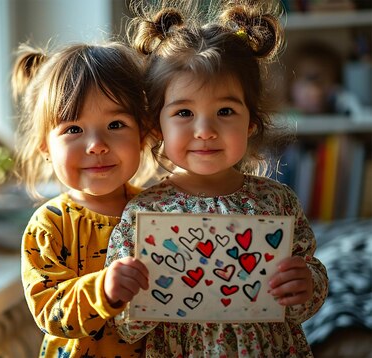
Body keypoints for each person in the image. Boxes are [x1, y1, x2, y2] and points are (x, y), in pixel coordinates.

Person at [104, 1, 329, 356]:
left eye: (225, 111)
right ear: (156, 124)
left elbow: (305, 295)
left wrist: (306, 284)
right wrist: (120, 293)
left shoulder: (277, 202)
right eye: (183, 112)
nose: (205, 130)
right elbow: (127, 327)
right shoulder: (144, 213)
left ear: (251, 122)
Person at [12, 41, 160, 357]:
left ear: (143, 134)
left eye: (116, 125)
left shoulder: (160, 213)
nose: (96, 145)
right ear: (45, 148)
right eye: (74, 129)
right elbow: (50, 311)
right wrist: (103, 290)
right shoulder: (49, 225)